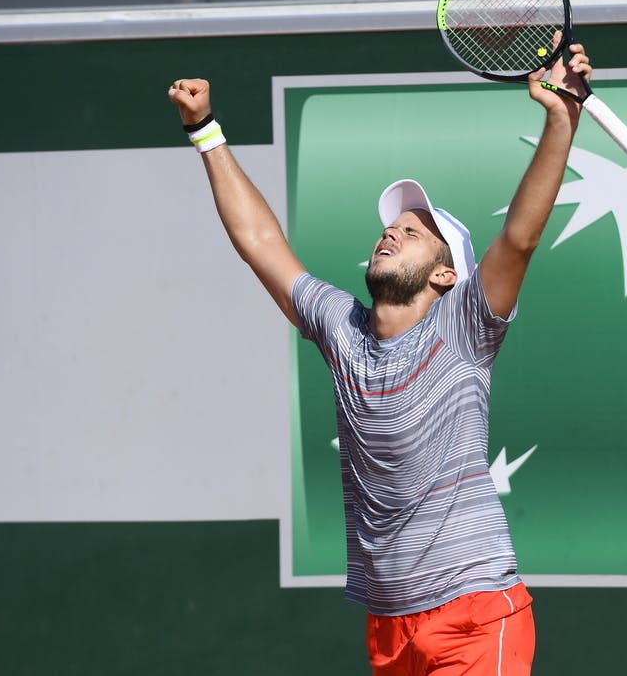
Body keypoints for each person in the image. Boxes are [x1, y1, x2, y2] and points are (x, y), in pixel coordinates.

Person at [168, 36, 592, 676]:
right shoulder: (342, 328)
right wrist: (205, 132)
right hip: (390, 627)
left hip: (476, 614)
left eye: (416, 232)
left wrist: (560, 119)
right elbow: (258, 240)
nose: (392, 230)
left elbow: (522, 234)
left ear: (447, 276)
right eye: (392, 225)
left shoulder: (467, 326)